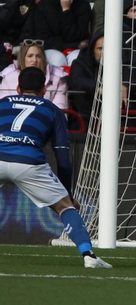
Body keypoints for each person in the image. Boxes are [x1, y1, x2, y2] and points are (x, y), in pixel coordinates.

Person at [0, 66, 111, 268]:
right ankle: (89, 256)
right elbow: (63, 160)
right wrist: (67, 193)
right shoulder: (52, 110)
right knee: (65, 207)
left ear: (17, 88)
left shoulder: (2, 103)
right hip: (28, 162)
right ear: (44, 90)